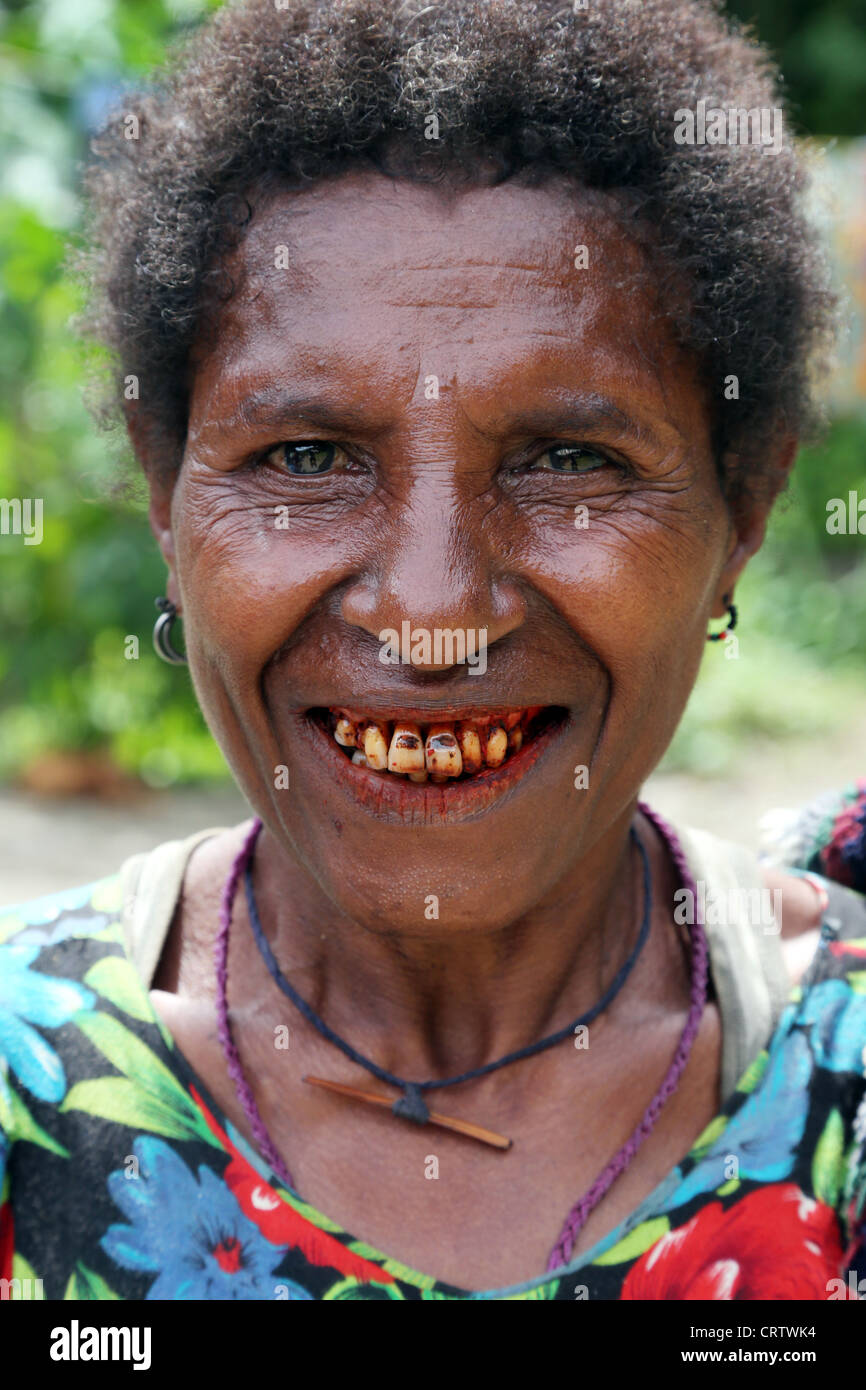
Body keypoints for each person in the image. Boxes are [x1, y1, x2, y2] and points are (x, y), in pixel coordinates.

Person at [1, 0, 865, 1301]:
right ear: (168, 497)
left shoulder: (837, 1080)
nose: (429, 607)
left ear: (739, 512)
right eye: (305, 457)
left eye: (569, 459)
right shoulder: (29, 1097)